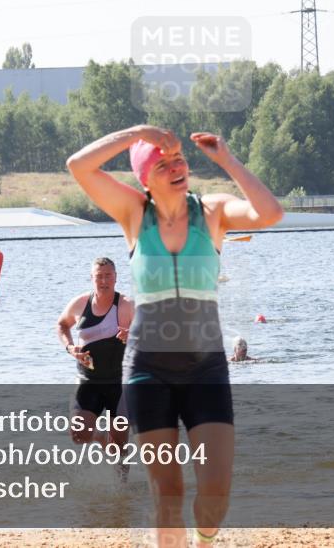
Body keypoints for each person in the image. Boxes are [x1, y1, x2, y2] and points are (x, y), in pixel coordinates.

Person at [67, 125, 283, 548]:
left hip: (206, 369)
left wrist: (226, 159)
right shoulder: (134, 213)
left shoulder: (212, 210)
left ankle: (204, 541)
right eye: (163, 163)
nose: (176, 166)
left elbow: (270, 213)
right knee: (168, 496)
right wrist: (136, 133)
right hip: (149, 370)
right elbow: (79, 166)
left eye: (179, 159)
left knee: (215, 495)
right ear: (145, 178)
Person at [56, 257, 134, 452]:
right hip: (88, 381)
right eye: (99, 276)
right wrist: (70, 347)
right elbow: (62, 325)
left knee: (119, 449)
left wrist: (133, 337)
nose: (104, 281)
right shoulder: (80, 303)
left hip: (119, 384)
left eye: (108, 275)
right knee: (78, 435)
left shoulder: (127, 305)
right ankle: (100, 436)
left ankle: (120, 469)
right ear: (92, 278)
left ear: (116, 277)